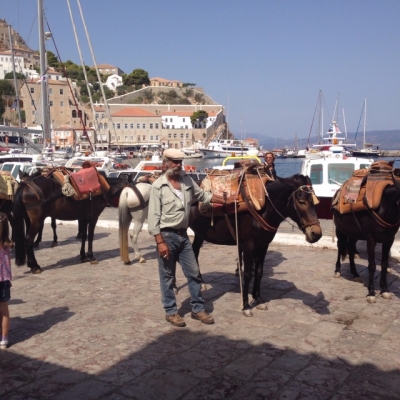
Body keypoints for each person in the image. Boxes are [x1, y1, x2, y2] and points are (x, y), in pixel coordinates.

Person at [148, 148, 236, 327]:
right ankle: (171, 311)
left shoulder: (186, 181)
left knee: (194, 273)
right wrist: (160, 242)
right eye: (174, 161)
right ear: (165, 163)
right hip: (166, 236)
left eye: (180, 161)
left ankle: (197, 309)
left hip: (183, 236)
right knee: (167, 277)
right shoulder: (159, 186)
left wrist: (225, 200)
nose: (178, 165)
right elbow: (153, 218)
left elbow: (203, 195)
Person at [0, 213, 13, 349]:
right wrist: (9, 278)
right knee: (4, 310)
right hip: (4, 279)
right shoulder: (7, 245)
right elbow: (8, 263)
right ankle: (4, 338)